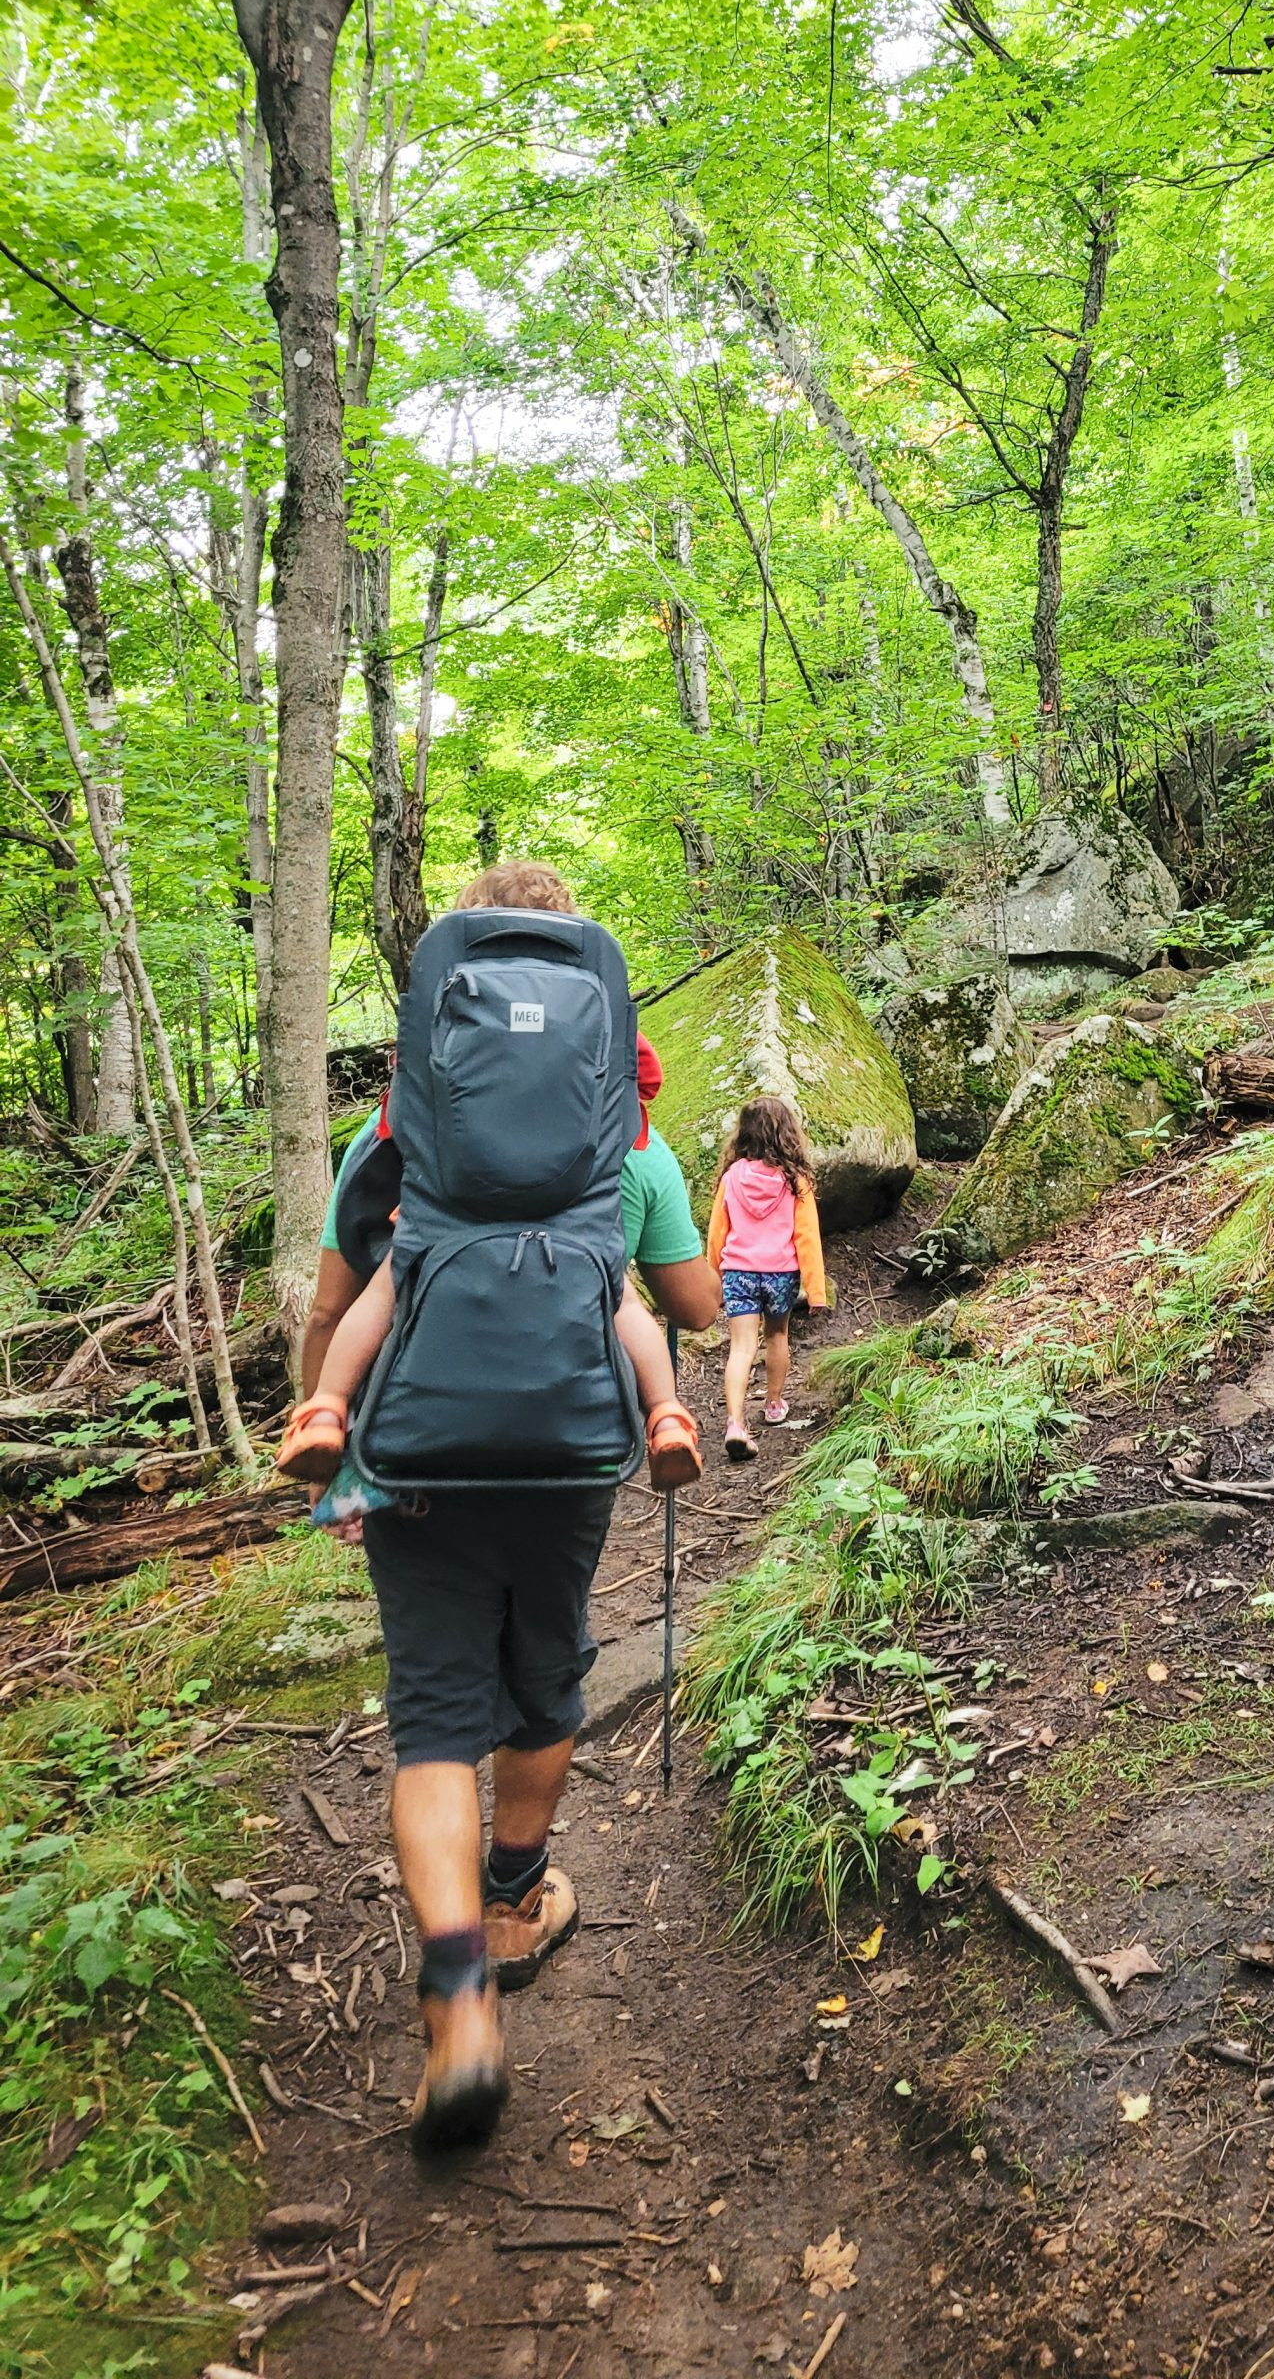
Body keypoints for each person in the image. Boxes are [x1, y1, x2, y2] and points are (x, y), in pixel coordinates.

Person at [300, 860, 723, 2152]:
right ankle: (517, 1896)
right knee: (546, 1674)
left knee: (432, 1713)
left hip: (417, 1443)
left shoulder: (394, 1138)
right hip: (565, 1444)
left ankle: (459, 2001)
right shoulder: (625, 1144)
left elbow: (338, 1295)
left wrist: (326, 1406)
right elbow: (689, 1310)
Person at [274, 1028, 702, 1494]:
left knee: (383, 1292)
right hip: (570, 1219)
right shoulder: (586, 1043)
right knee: (624, 1304)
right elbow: (639, 1082)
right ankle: (666, 1417)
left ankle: (324, 1413)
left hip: (447, 1214)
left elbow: (328, 1313)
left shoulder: (454, 1044)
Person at [705, 1094, 829, 1462]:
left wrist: (713, 1280)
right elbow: (807, 1238)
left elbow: (717, 1234)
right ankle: (774, 1404)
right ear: (787, 1133)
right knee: (777, 1335)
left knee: (741, 1347)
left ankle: (735, 1423)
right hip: (780, 1273)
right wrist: (816, 1290)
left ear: (743, 1135)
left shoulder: (732, 1177)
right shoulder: (796, 1180)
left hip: (739, 1271)